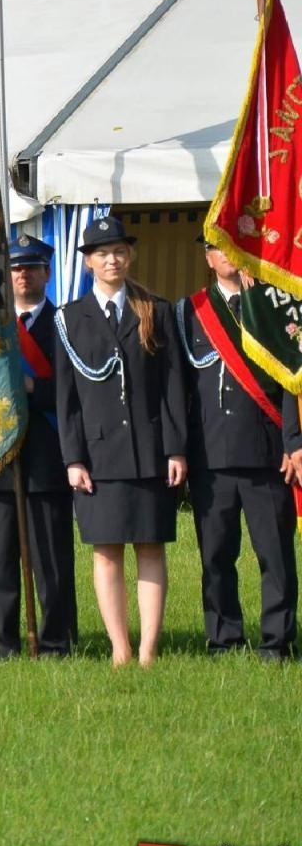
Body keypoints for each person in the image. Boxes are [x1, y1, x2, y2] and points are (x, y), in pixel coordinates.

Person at [55, 216, 187, 668]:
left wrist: (176, 449)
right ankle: (119, 648)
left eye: (120, 251)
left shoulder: (156, 309)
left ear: (129, 256)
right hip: (98, 455)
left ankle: (148, 650)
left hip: (150, 451)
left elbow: (172, 387)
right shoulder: (69, 319)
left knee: (150, 548)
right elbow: (66, 399)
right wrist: (73, 457)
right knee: (106, 552)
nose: (112, 259)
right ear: (88, 262)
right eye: (102, 253)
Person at [177, 238, 298, 661]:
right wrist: (178, 450)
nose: (226, 254)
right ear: (207, 257)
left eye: (233, 245)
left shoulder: (273, 307)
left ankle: (276, 641)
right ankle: (224, 639)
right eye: (216, 247)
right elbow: (178, 390)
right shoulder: (189, 311)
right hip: (210, 454)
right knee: (216, 556)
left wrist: (294, 443)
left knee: (275, 555)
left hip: (267, 453)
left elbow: (290, 382)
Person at [0, 234, 77, 657]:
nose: (23, 275)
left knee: (51, 560)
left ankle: (55, 641)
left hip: (48, 455)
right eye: (15, 268)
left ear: (47, 273)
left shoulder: (67, 323)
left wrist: (33, 386)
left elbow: (76, 389)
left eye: (31, 267)